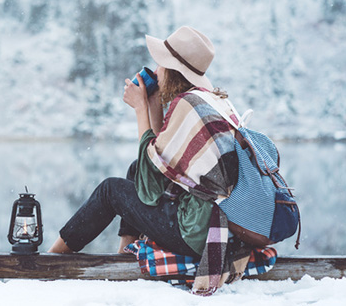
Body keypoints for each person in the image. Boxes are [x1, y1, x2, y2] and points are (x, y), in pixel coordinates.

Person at [48, 26, 239, 258]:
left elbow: (151, 178)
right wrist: (153, 105)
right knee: (136, 168)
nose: (156, 70)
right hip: (208, 224)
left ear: (172, 70)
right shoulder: (203, 102)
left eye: (161, 64)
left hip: (195, 232)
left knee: (110, 190)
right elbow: (160, 162)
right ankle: (125, 253)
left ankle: (53, 256)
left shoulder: (187, 106)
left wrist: (140, 109)